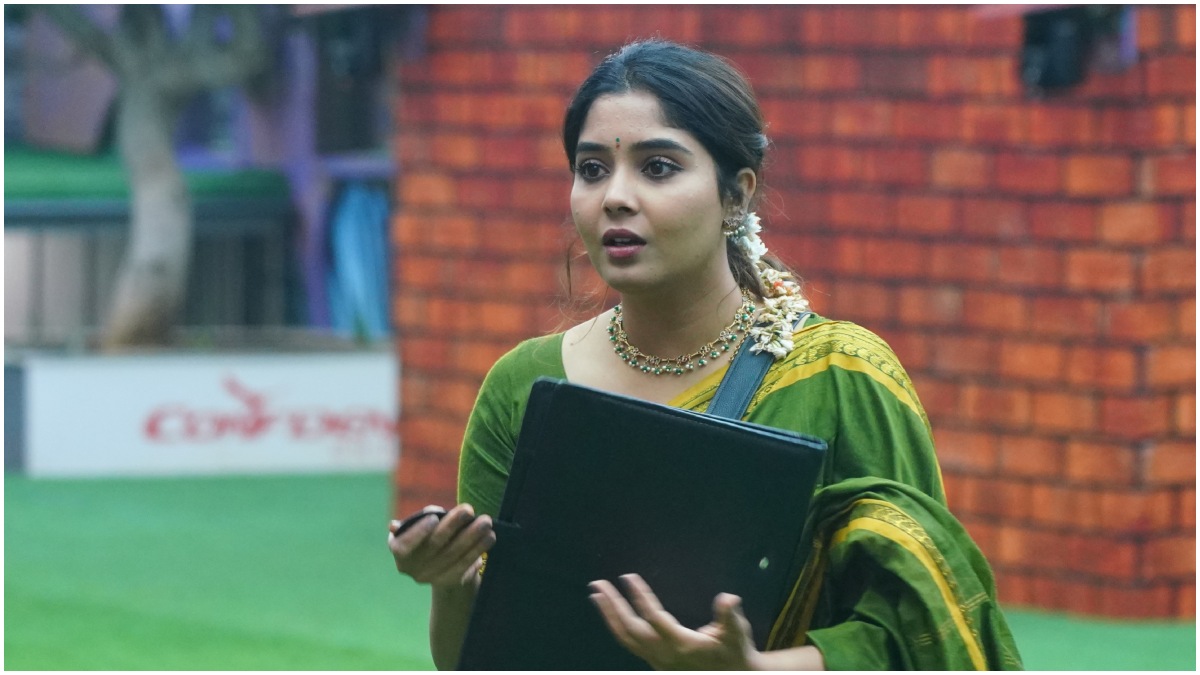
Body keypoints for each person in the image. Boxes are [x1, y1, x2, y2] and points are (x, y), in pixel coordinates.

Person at [389, 39, 1023, 670]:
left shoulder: (841, 375)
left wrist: (753, 669)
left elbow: (923, 626)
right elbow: (484, 658)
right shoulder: (523, 385)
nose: (615, 196)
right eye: (592, 169)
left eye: (658, 167)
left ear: (736, 195)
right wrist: (451, 581)